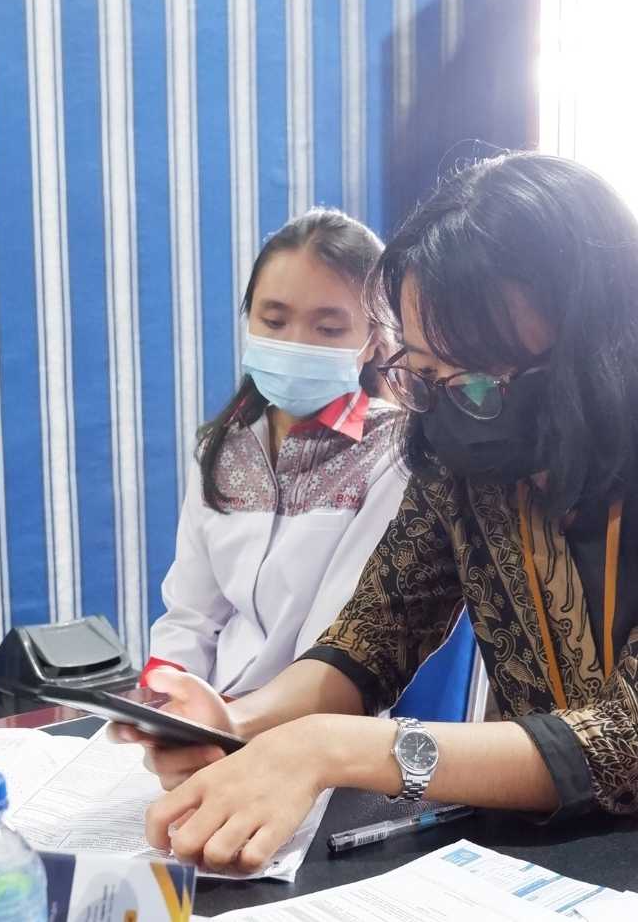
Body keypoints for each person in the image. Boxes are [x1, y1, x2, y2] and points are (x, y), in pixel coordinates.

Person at [117, 154, 638, 871]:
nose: (454, 406)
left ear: (596, 346)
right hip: (541, 854)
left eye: (482, 381)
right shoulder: (461, 458)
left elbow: (625, 738)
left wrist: (337, 747)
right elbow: (372, 638)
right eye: (425, 374)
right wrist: (236, 721)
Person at [144, 209, 405, 696]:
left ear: (374, 341)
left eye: (328, 329)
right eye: (274, 320)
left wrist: (239, 722)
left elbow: (340, 644)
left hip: (319, 718)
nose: (295, 344)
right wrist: (163, 701)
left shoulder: (393, 454)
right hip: (213, 711)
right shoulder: (220, 448)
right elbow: (192, 615)